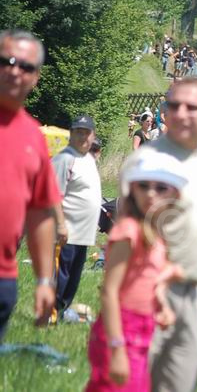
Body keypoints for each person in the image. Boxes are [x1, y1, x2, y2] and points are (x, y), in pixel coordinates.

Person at [119, 77, 197, 392]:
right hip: (145, 293)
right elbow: (124, 235)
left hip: (190, 296)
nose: (181, 113)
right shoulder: (146, 162)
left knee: (181, 383)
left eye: (192, 107)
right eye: (174, 105)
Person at [86, 152, 184, 391]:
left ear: (174, 193)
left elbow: (154, 275)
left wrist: (161, 299)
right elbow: (109, 292)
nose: (151, 193)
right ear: (133, 189)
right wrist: (117, 347)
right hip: (120, 330)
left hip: (144, 327)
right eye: (143, 185)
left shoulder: (156, 234)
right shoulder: (128, 231)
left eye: (161, 187)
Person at [0, 29, 59, 340]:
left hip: (3, 279)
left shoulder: (34, 136)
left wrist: (44, 279)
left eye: (25, 66)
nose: (14, 70)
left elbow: (39, 213)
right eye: (6, 61)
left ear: (36, 78)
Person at [51, 114, 102, 319]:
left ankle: (62, 311)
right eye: (78, 132)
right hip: (67, 231)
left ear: (93, 135)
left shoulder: (88, 158)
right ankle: (50, 313)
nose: (83, 137)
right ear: (71, 134)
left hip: (84, 233)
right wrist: (60, 225)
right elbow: (53, 195)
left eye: (86, 132)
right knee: (60, 275)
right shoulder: (65, 158)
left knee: (73, 277)